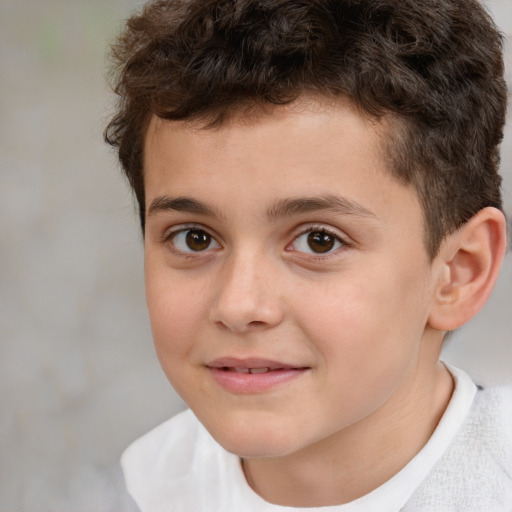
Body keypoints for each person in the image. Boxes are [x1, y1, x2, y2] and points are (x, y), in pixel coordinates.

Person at [104, 0, 511, 510]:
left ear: (458, 272)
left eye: (319, 240)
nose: (238, 305)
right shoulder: (146, 488)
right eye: (195, 238)